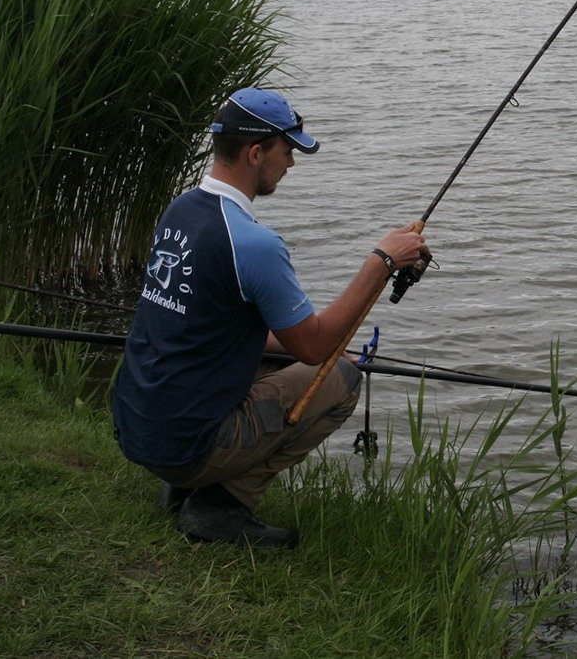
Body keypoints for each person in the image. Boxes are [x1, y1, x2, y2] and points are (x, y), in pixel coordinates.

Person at [112, 87, 430, 548]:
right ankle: (220, 502)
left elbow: (223, 330)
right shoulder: (253, 243)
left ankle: (182, 483)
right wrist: (381, 260)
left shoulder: (180, 210)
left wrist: (308, 350)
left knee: (303, 362)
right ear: (256, 152)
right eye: (287, 151)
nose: (292, 164)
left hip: (137, 427)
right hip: (184, 445)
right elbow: (315, 348)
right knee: (340, 377)